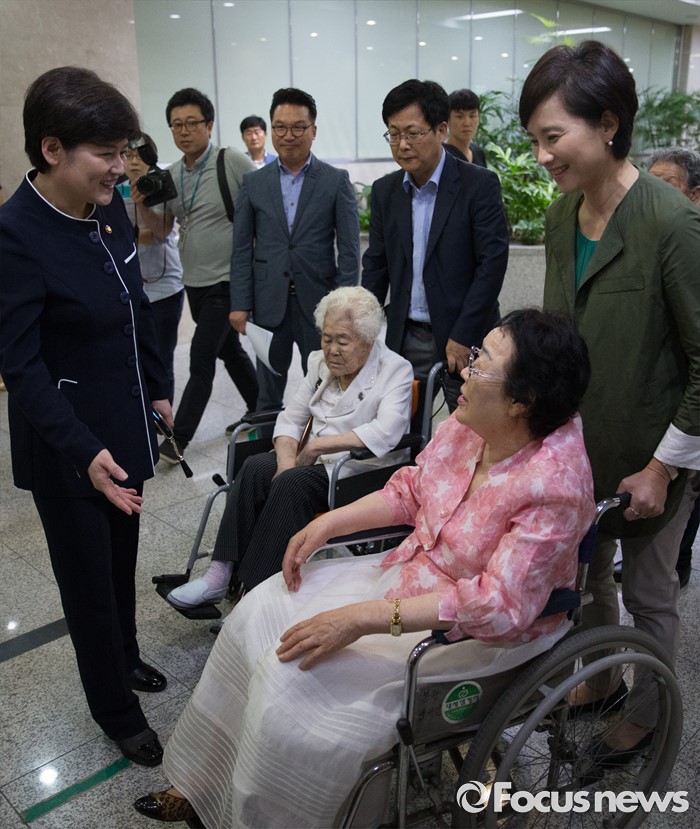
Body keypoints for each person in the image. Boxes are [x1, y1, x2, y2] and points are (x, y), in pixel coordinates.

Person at [133, 309, 595, 827]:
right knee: (256, 613)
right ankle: (205, 784)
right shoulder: (471, 426)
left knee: (291, 687)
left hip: (474, 634)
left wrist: (361, 618)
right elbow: (412, 489)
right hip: (411, 575)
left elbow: (498, 606)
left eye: (481, 363)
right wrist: (329, 524)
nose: (463, 371)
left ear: (520, 400)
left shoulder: (553, 484)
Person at [521, 41, 700, 765]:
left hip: (652, 457)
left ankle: (651, 713)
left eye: (552, 137)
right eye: (534, 139)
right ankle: (600, 680)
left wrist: (662, 466)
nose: (541, 156)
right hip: (575, 451)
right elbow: (558, 337)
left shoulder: (670, 223)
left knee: (650, 593)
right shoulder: (562, 218)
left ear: (607, 124)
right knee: (587, 576)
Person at [0, 67, 174, 767]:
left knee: (121, 559)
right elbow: (20, 368)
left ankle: (124, 655)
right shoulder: (15, 234)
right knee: (87, 582)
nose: (120, 167)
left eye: (124, 150)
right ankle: (114, 708)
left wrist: (157, 386)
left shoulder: (106, 208)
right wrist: (81, 447)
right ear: (52, 150)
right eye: (105, 153)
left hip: (124, 424)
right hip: (68, 446)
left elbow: (136, 302)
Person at [167, 286, 414, 608]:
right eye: (327, 338)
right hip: (315, 465)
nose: (332, 349)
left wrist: (317, 447)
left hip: (358, 470)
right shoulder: (318, 362)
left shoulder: (395, 369)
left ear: (368, 340)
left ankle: (252, 595)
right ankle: (219, 575)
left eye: (342, 341)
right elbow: (291, 418)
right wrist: (285, 463)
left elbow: (387, 431)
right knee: (256, 467)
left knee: (292, 484)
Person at [362, 79, 509, 413]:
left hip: (466, 335)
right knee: (402, 427)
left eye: (413, 133)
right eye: (393, 134)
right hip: (406, 336)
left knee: (470, 429)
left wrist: (463, 334)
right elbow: (376, 265)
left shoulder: (478, 185)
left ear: (441, 130)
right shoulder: (385, 192)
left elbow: (492, 265)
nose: (402, 145)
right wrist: (362, 329)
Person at [133, 88, 258, 462]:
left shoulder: (230, 161)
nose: (184, 131)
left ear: (209, 125)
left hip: (228, 279)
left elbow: (263, 205)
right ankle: (263, 409)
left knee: (200, 358)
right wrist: (143, 205)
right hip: (195, 282)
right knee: (229, 351)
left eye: (191, 123)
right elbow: (161, 231)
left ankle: (177, 440)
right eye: (176, 125)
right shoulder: (172, 174)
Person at [229, 87, 360, 413]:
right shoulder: (253, 183)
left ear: (313, 131)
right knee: (267, 391)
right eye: (281, 127)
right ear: (272, 130)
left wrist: (343, 305)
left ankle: (318, 443)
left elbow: (349, 250)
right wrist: (240, 302)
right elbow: (241, 248)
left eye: (298, 127)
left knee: (323, 386)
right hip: (267, 302)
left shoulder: (335, 180)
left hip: (319, 303)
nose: (289, 135)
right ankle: (267, 445)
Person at [125, 133, 185, 403]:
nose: (133, 161)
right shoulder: (113, 189)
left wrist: (140, 206)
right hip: (133, 286)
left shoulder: (161, 185)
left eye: (140, 155)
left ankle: (164, 417)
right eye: (128, 155)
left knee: (161, 360)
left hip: (165, 286)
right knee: (135, 359)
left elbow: (160, 233)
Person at [444, 87, 487, 166]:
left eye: (472, 116)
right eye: (459, 116)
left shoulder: (479, 153)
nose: (467, 123)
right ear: (447, 120)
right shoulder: (441, 156)